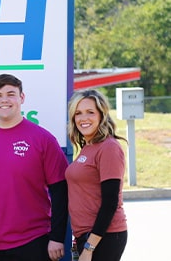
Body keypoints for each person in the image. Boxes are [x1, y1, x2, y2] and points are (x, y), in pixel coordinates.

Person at [0, 73, 69, 261]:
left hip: (35, 241)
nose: (4, 100)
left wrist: (57, 237)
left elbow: (60, 192)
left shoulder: (43, 139)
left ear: (22, 98)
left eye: (11, 94)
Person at [65, 89, 128, 261]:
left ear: (102, 115)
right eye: (78, 113)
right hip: (87, 236)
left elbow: (110, 202)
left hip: (104, 237)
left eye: (90, 112)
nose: (83, 118)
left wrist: (89, 246)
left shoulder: (109, 147)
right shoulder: (89, 146)